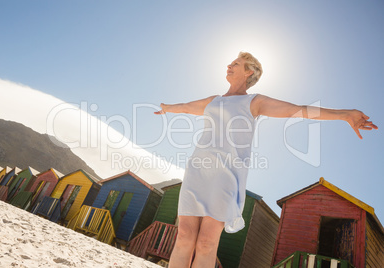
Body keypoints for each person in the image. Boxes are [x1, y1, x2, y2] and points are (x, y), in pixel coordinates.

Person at [154, 52, 378, 268]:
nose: (229, 66)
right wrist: (166, 108)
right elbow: (185, 107)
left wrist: (344, 114)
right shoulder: (214, 101)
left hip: (226, 177)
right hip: (198, 171)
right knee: (183, 237)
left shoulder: (255, 102)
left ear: (249, 71)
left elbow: (297, 110)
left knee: (206, 243)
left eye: (235, 64)